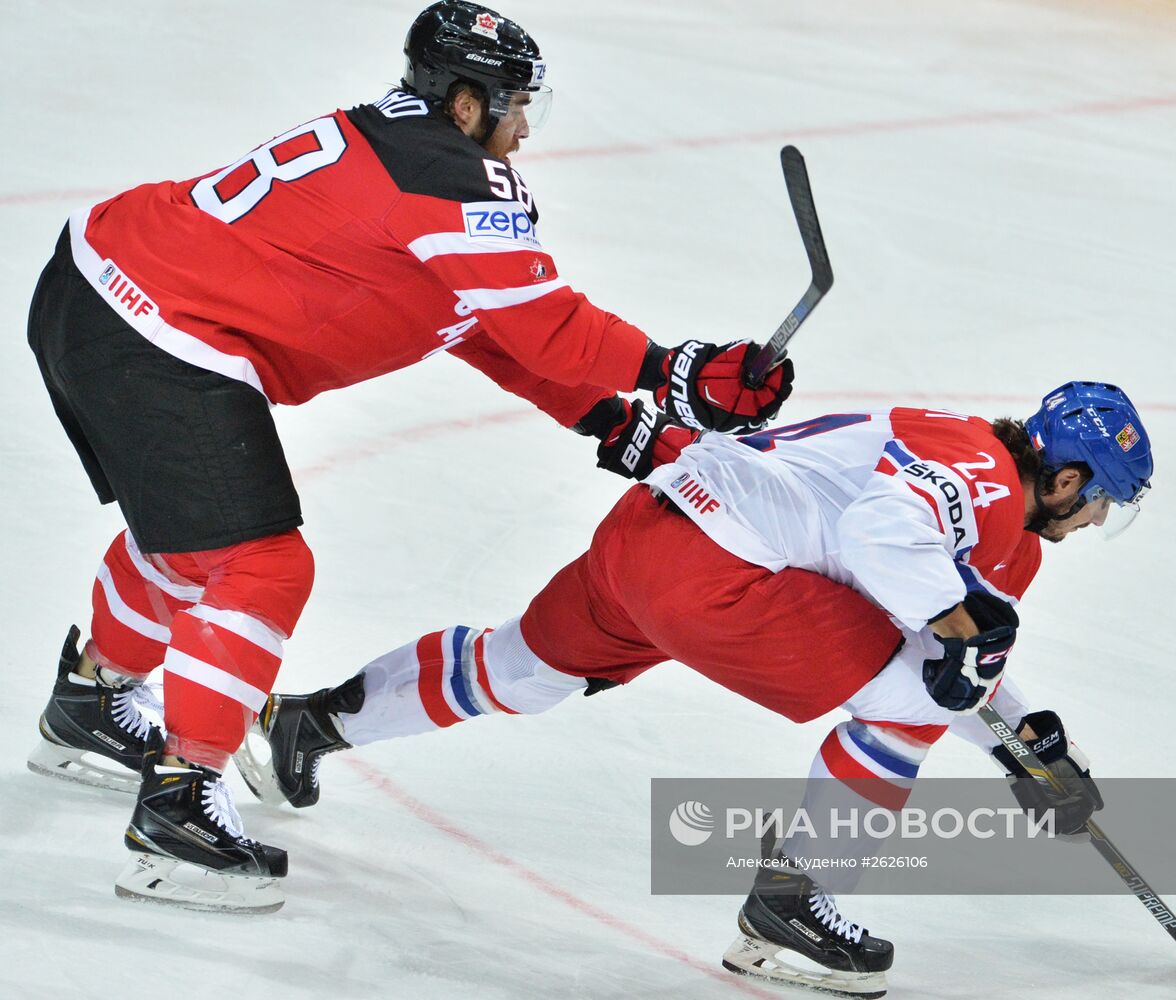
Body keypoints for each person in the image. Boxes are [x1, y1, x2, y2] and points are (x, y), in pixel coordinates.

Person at [24, 0, 792, 913]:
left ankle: (89, 704)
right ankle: (180, 813)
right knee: (258, 564)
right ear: (465, 103)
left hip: (92, 284)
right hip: (162, 340)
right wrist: (675, 371)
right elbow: (547, 326)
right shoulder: (453, 177)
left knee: (193, 536)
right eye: (514, 103)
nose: (520, 125)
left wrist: (619, 425)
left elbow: (486, 327)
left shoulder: (399, 149)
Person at [240, 381, 1154, 994]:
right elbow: (899, 566)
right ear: (1066, 479)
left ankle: (310, 726)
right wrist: (979, 679)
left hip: (648, 527)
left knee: (527, 666)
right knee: (905, 710)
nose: (1098, 516)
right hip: (716, 573)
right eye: (1102, 498)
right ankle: (789, 908)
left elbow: (950, 645)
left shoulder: (947, 436)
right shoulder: (995, 497)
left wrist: (1025, 738)